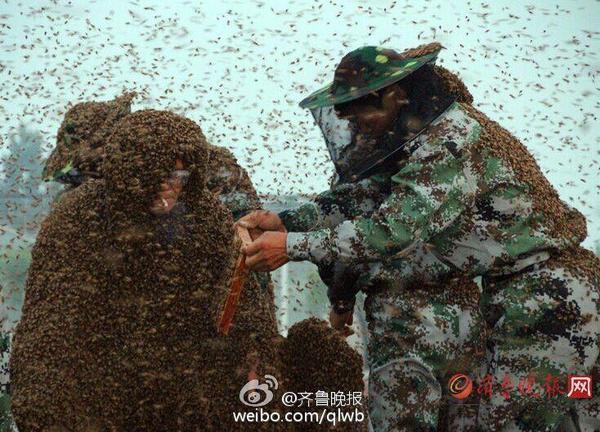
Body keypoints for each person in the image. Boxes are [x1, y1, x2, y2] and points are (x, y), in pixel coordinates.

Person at [238, 43, 599, 431]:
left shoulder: (448, 142)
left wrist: (292, 246)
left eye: (365, 114)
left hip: (548, 299)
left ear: (396, 95)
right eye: (351, 118)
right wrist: (286, 221)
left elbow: (391, 231)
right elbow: (368, 196)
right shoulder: (417, 143)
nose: (360, 126)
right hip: (525, 294)